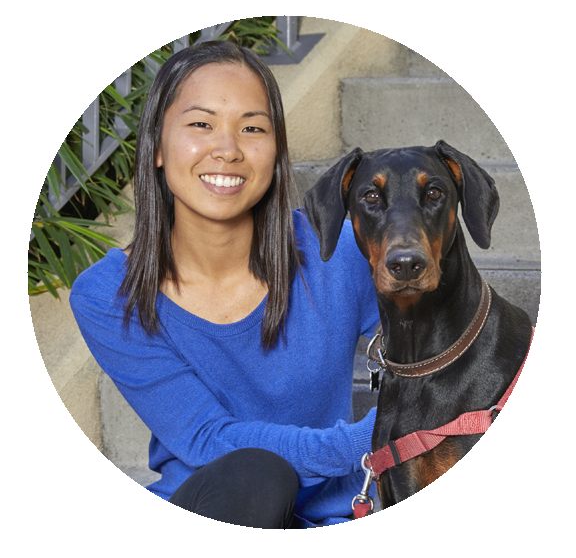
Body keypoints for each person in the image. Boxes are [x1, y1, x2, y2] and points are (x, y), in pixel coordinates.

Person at [70, 40, 381, 529]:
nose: (228, 149)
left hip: (332, 525)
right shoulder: (109, 295)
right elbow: (206, 438)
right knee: (257, 475)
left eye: (253, 128)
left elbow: (442, 351)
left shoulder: (338, 250)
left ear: (275, 150)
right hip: (215, 517)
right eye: (201, 124)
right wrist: (376, 439)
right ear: (154, 146)